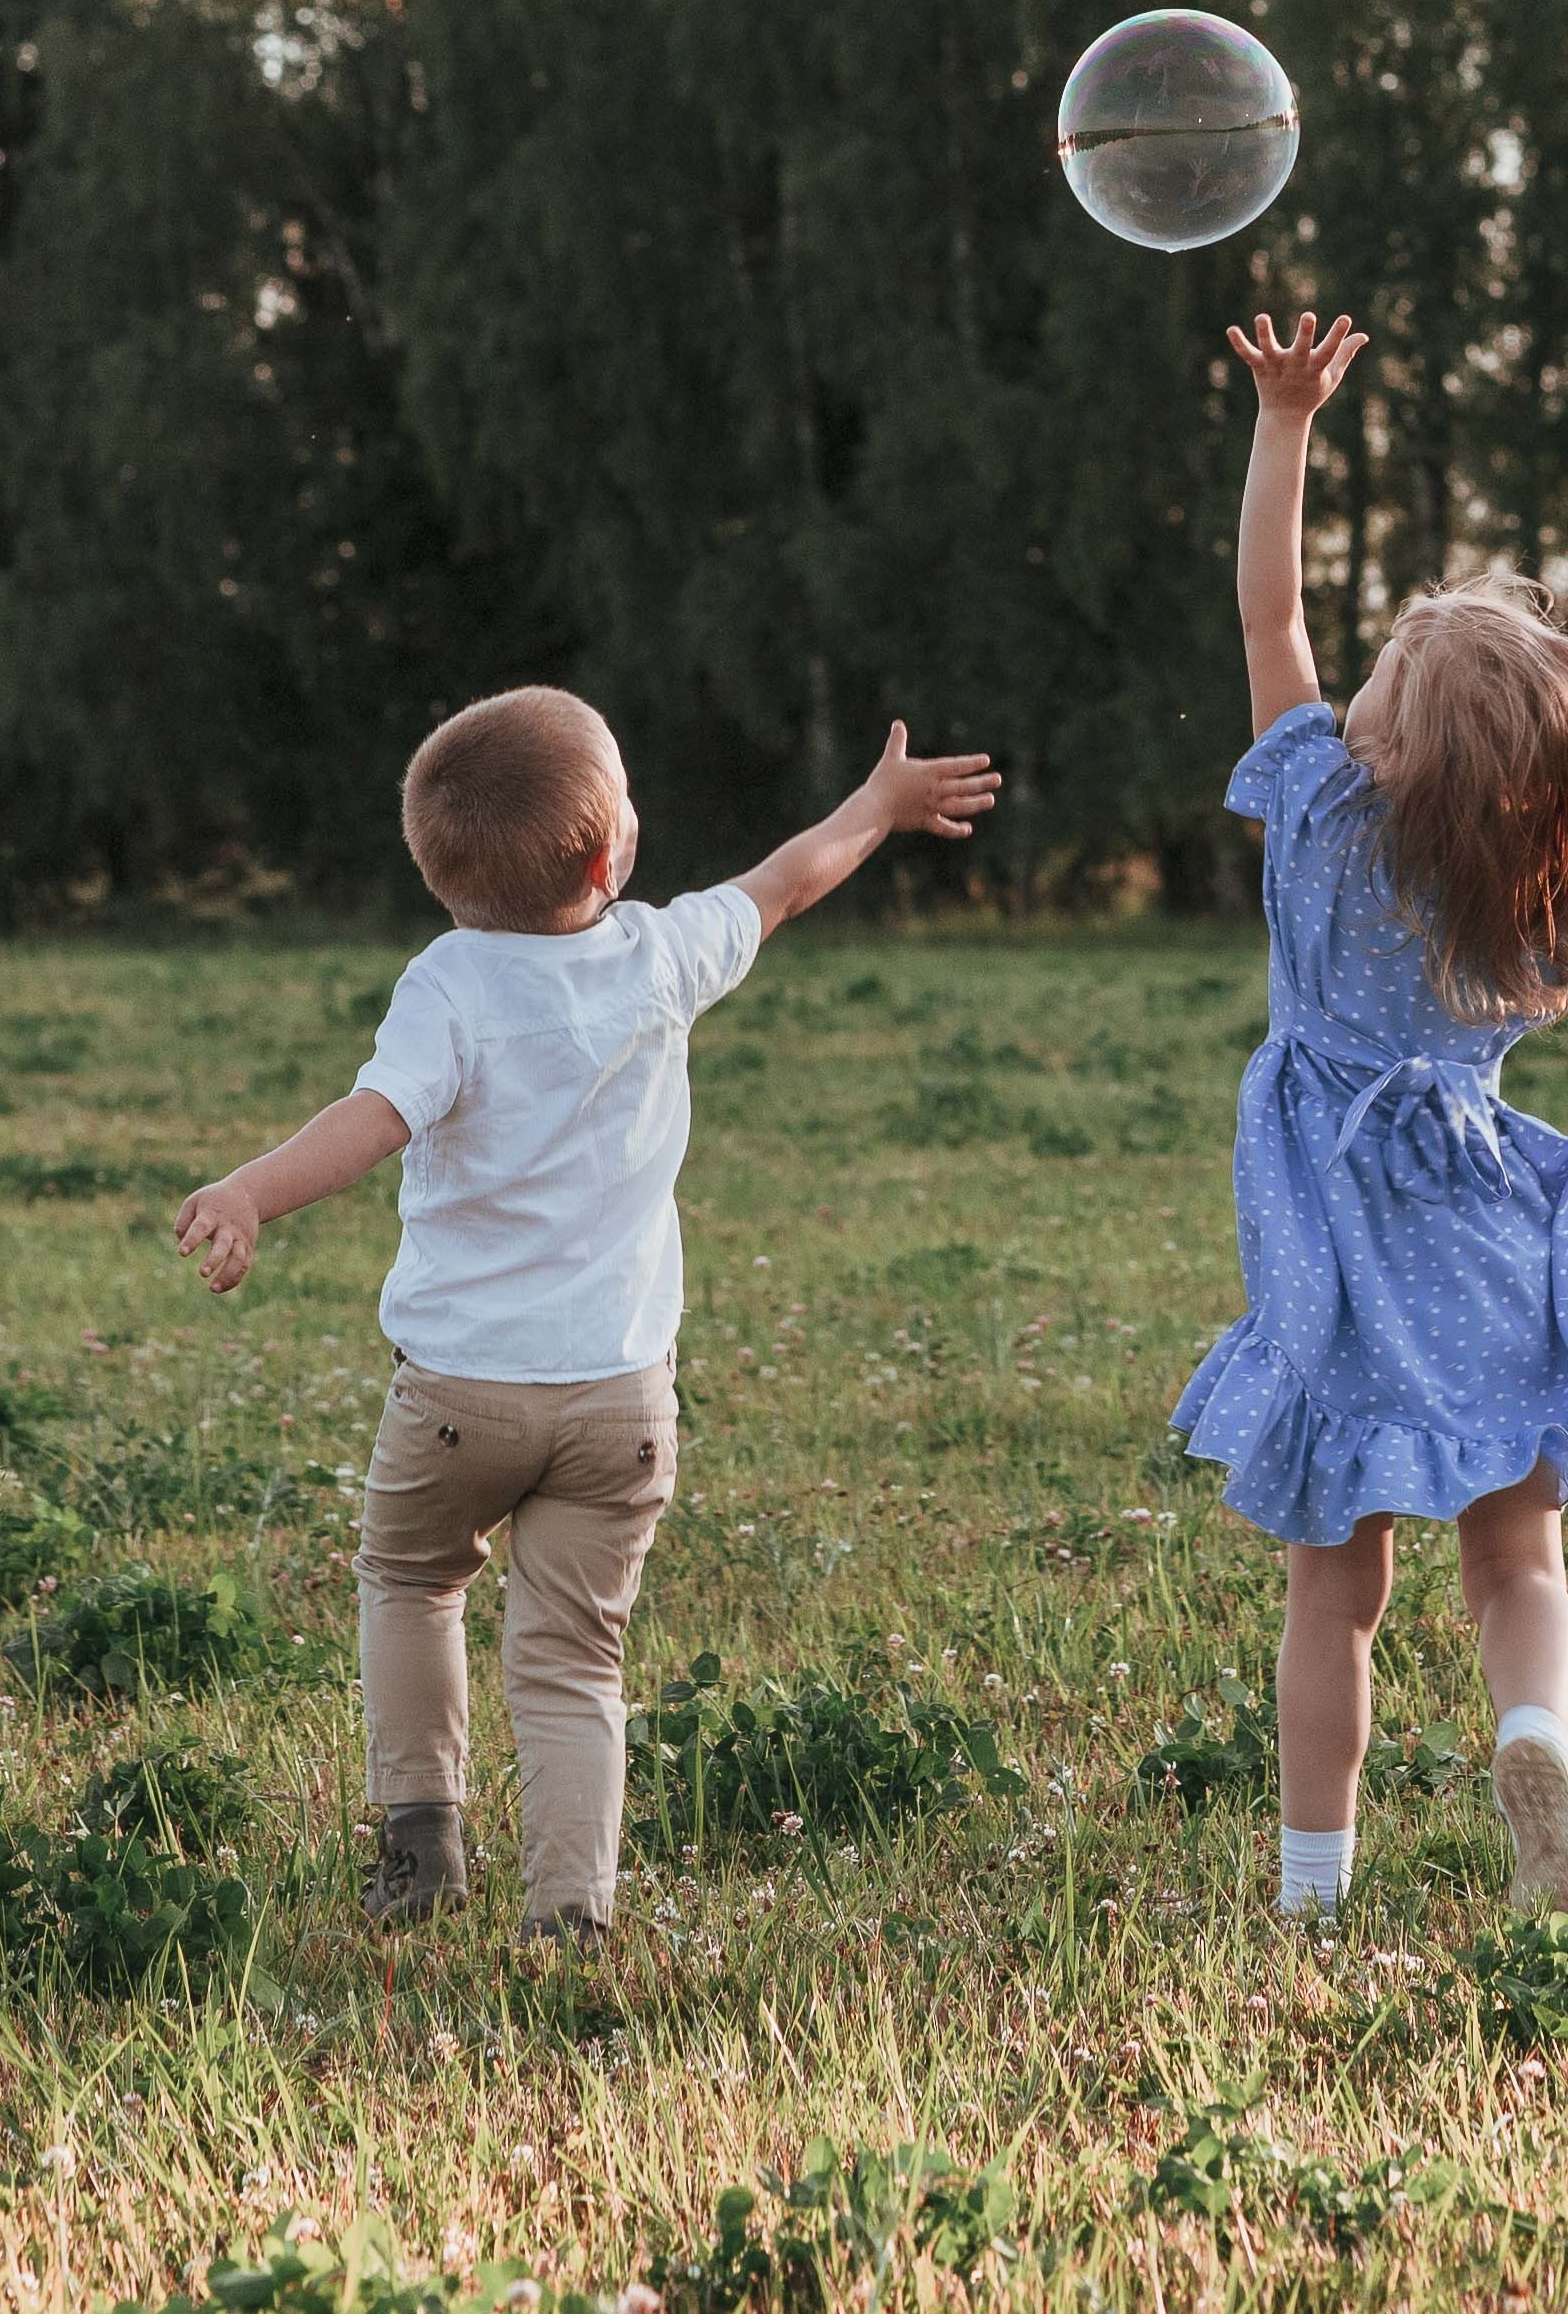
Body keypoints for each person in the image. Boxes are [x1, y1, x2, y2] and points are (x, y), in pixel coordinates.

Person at [174, 689, 997, 1941]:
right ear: (611, 857)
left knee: (411, 1579)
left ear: (439, 872)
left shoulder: (448, 984)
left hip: (458, 1394)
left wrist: (249, 1192)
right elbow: (786, 883)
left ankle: (422, 1838)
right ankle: (571, 1912)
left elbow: (372, 1120)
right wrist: (879, 806)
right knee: (571, 1659)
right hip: (621, 1401)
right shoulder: (661, 958)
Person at [1170, 312, 1568, 1923]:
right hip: (1496, 1241)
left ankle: (1313, 1892)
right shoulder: (1551, 887)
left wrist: (1288, 421)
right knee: (1520, 1562)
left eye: (1371, 682)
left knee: (1336, 1591)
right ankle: (1533, 1739)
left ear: (1381, 744)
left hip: (1337, 1268)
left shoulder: (1316, 819)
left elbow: (1269, 608)